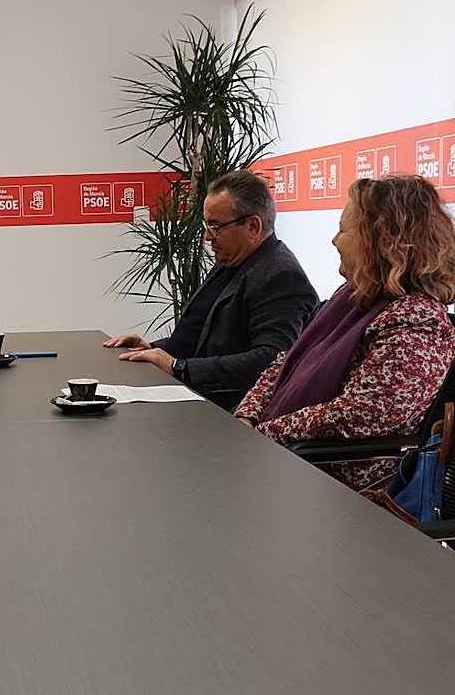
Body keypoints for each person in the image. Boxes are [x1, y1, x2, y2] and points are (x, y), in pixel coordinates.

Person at [235, 175, 455, 484]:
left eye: (343, 230)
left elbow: (362, 414)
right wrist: (248, 414)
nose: (334, 241)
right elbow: (285, 363)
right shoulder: (350, 298)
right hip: (290, 460)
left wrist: (264, 433)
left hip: (338, 486)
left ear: (382, 239)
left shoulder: (418, 321)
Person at [104, 170, 318, 406]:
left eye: (216, 226)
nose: (207, 236)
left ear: (253, 227)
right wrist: (152, 349)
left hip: (227, 411)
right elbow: (202, 337)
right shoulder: (231, 260)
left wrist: (180, 368)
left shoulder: (281, 276)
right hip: (191, 396)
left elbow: (272, 360)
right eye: (207, 225)